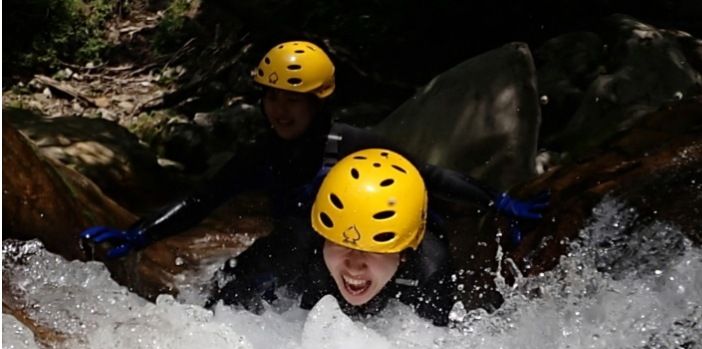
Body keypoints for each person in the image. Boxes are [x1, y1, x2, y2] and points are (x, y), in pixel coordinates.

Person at [80, 40, 548, 305]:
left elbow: (427, 177)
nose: (279, 110)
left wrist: (496, 200)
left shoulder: (355, 145)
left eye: (293, 99)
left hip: (378, 252)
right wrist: (141, 233)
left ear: (318, 101)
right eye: (272, 96)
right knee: (231, 291)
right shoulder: (260, 154)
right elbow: (205, 199)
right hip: (307, 249)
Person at [220, 148, 457, 326]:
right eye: (341, 243)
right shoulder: (292, 249)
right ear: (323, 237)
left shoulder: (430, 268)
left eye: (374, 249)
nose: (354, 264)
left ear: (404, 253)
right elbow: (221, 310)